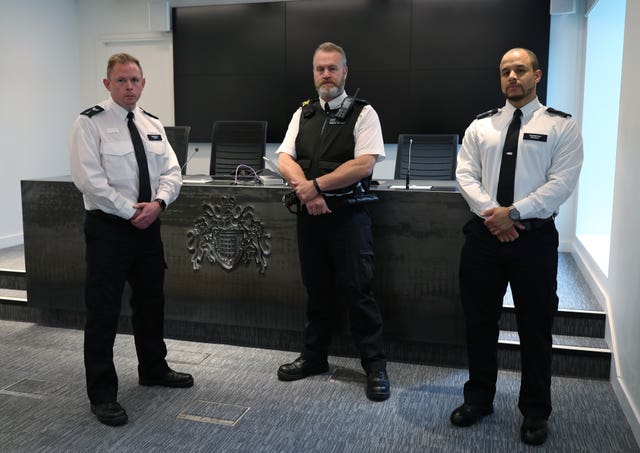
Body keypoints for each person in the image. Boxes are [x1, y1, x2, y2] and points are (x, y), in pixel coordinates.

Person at [452, 48, 583, 445]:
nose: (512, 76)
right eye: (506, 70)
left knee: (535, 328)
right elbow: (465, 174)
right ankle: (479, 399)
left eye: (520, 70)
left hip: (536, 241)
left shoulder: (562, 126)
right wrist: (497, 215)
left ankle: (535, 412)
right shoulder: (482, 126)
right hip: (484, 239)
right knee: (479, 323)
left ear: (537, 75)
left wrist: (516, 213)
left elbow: (561, 183)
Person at [69, 53, 193, 427]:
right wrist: (131, 211)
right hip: (109, 228)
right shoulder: (89, 123)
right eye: (121, 80)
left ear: (143, 83)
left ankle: (153, 368)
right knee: (104, 311)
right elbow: (88, 179)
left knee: (151, 302)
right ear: (107, 84)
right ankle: (103, 394)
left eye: (135, 80)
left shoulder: (152, 123)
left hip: (149, 225)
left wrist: (157, 204)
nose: (129, 87)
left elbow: (173, 170)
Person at [276, 42, 390, 401]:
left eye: (333, 68)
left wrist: (314, 188)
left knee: (359, 291)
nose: (326, 74)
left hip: (348, 217)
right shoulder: (303, 114)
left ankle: (375, 367)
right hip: (311, 218)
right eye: (320, 69)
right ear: (314, 74)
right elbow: (283, 158)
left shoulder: (364, 112)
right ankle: (314, 358)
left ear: (345, 72)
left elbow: (363, 164)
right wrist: (307, 192)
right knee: (317, 290)